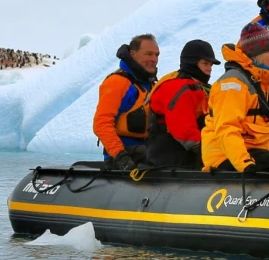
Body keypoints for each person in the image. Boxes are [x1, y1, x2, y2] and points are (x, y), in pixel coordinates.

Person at [201, 22, 269, 173]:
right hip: (227, 157)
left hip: (254, 152)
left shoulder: (261, 83)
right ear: (256, 53)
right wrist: (245, 163)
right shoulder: (232, 84)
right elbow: (227, 128)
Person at [145, 39, 219, 168]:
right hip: (171, 157)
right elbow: (184, 131)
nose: (209, 69)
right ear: (192, 63)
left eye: (211, 65)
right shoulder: (178, 87)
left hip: (185, 154)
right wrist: (212, 151)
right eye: (205, 63)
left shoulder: (199, 86)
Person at [93, 34, 159, 170]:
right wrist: (120, 156)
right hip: (122, 157)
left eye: (156, 55)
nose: (154, 59)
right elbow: (102, 123)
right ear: (133, 54)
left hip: (147, 151)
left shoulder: (151, 85)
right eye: (148, 54)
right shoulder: (117, 83)